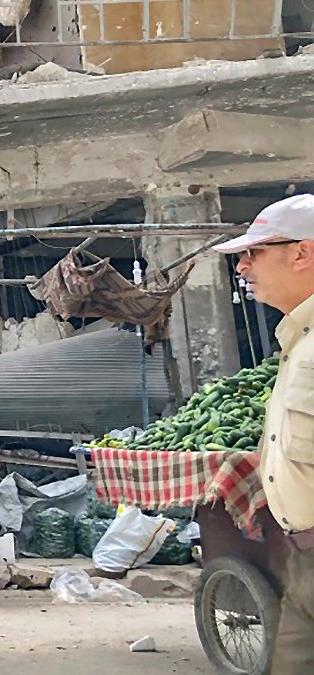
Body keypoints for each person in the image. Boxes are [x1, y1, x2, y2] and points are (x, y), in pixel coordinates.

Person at [215, 193, 314, 674]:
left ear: (303, 253)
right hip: (303, 564)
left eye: (254, 253)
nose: (242, 266)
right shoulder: (299, 341)